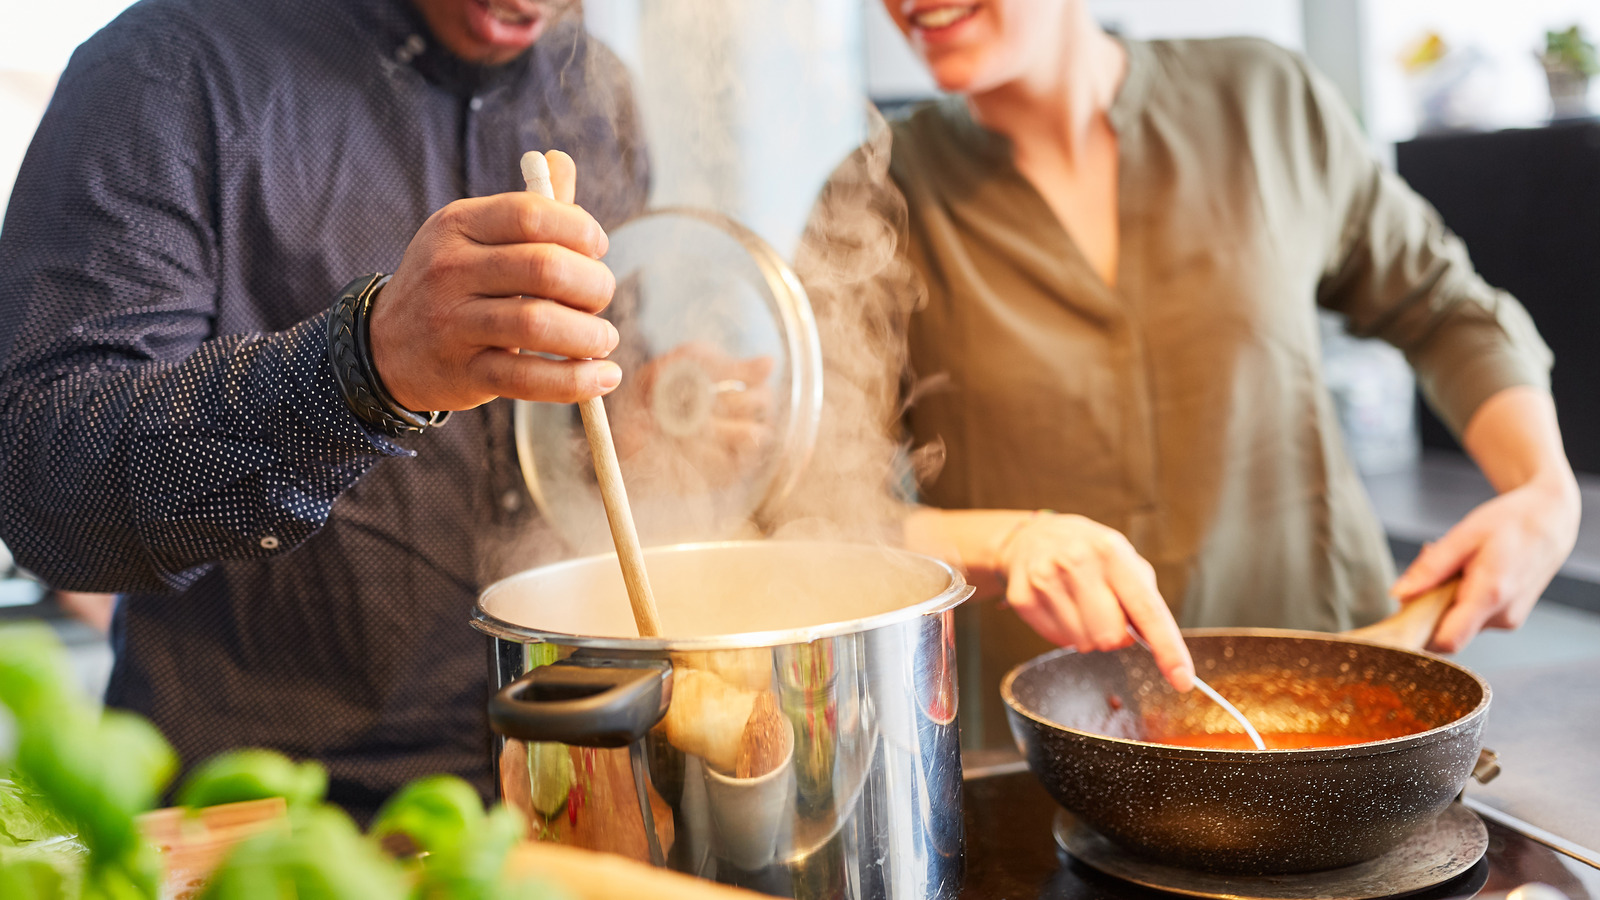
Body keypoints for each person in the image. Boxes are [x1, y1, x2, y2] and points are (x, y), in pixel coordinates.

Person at [794, 0, 1581, 728]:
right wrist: (1006, 544)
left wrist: (1545, 491)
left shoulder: (1266, 103)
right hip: (1058, 738)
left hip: (1341, 705)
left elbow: (1445, 310)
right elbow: (818, 514)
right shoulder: (871, 199)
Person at [0, 0, 648, 817]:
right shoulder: (167, 66)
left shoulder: (595, 94)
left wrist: (647, 418)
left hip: (557, 797)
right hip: (266, 823)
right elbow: (43, 479)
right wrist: (364, 367)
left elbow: (569, 408)